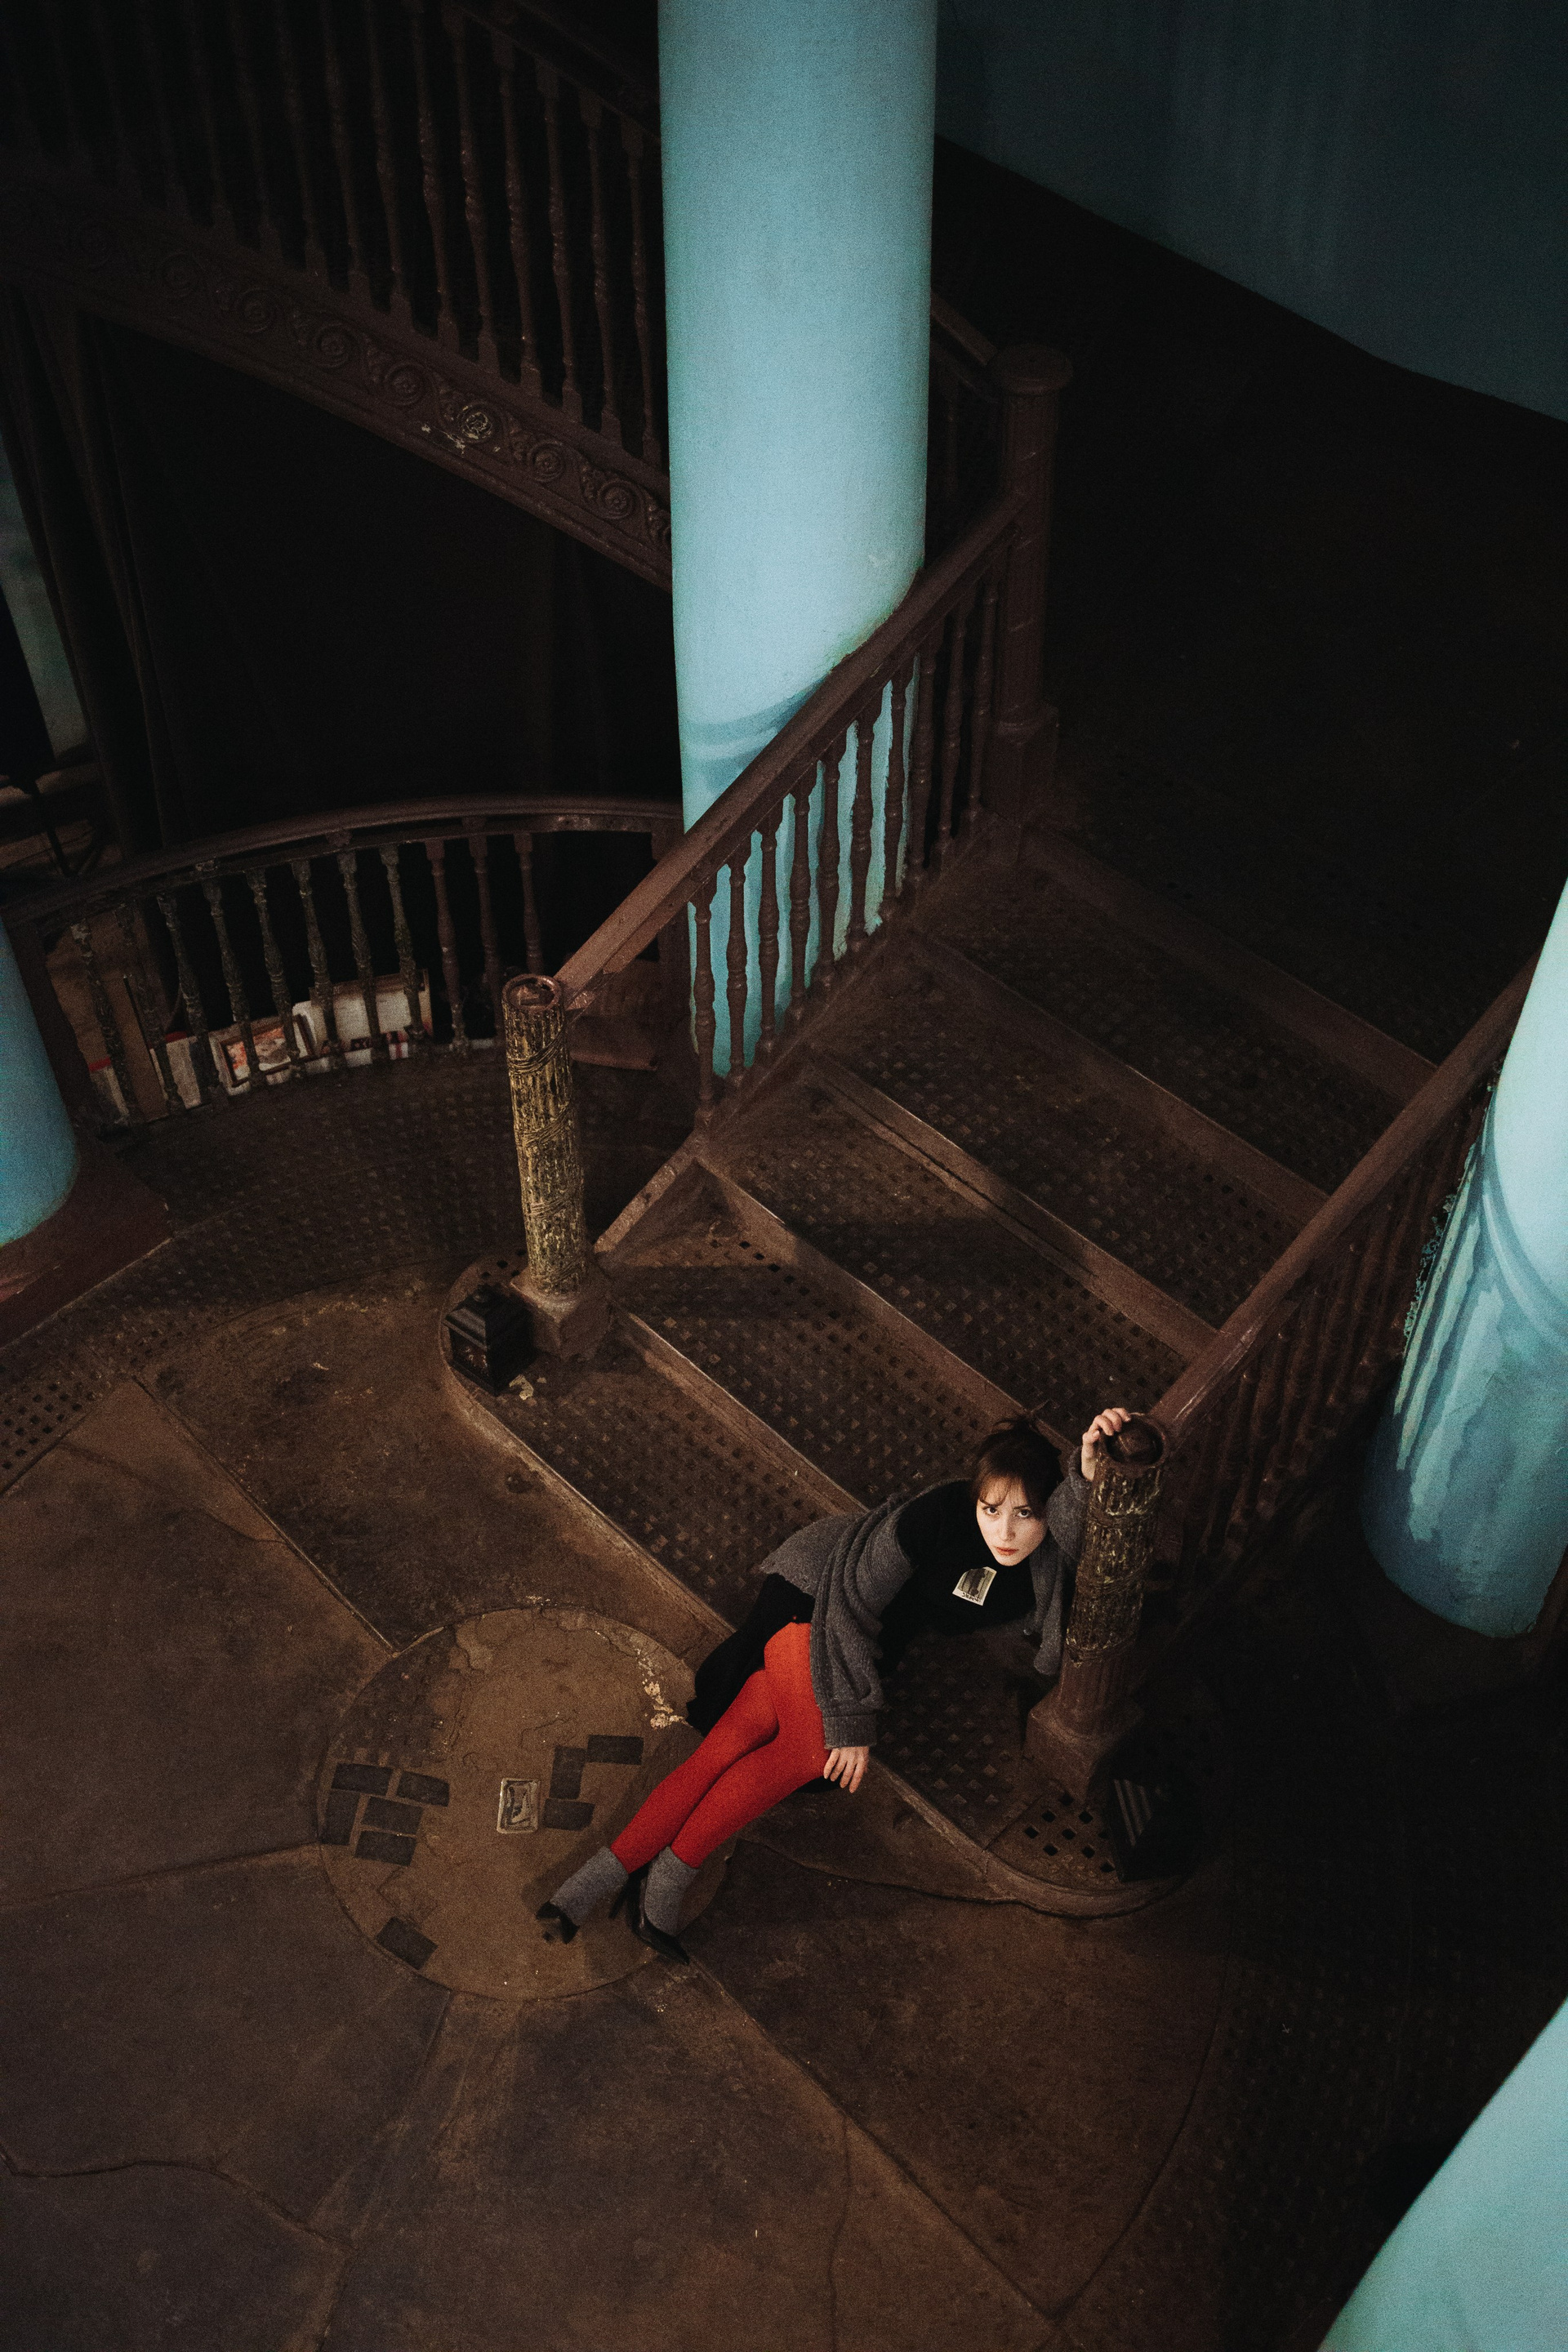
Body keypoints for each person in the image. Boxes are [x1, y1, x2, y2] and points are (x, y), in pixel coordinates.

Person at [537, 1405, 1134, 1961]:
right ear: (973, 1499)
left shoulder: (1048, 1549)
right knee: (814, 1751)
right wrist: (850, 1722)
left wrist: (1088, 1469)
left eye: (1025, 1514)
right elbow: (849, 1605)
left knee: (731, 1743)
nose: (1004, 1531)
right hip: (816, 1596)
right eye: (991, 1509)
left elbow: (1079, 1532)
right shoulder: (932, 1517)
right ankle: (667, 1881)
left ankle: (581, 1891)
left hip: (867, 1633)